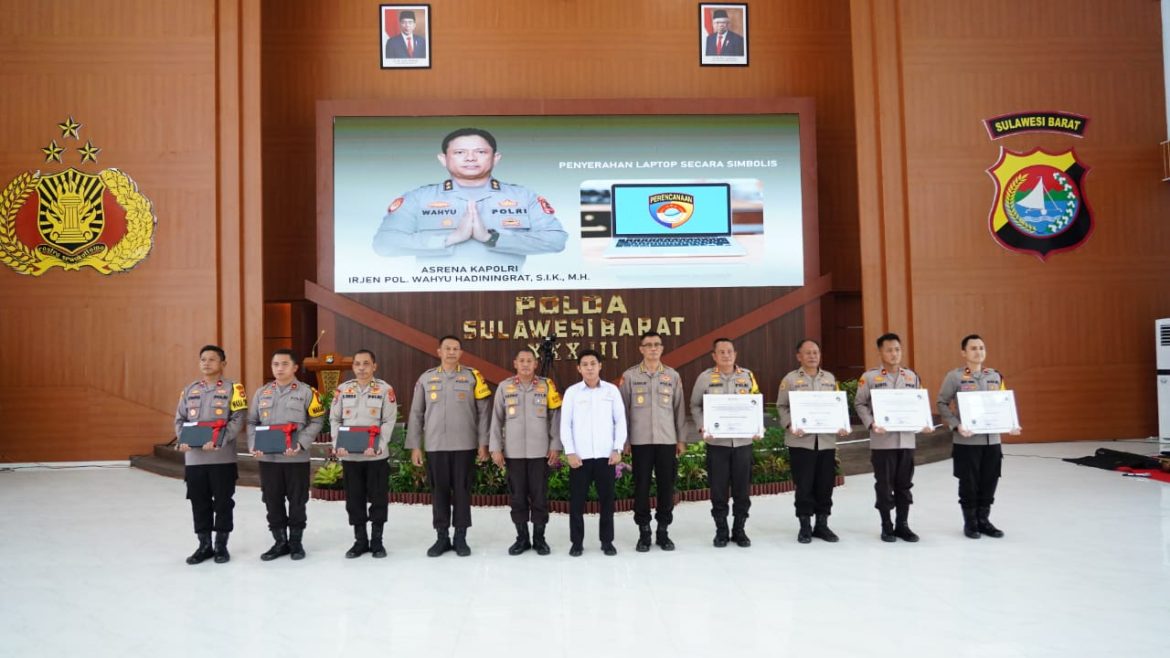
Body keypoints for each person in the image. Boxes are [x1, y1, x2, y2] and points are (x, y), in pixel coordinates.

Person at [371, 128, 568, 268]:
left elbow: (556, 240)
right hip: (433, 291)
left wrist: (491, 238)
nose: (470, 158)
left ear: (495, 158)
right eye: (459, 152)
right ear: (443, 159)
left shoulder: (524, 196)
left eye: (480, 152)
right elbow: (384, 244)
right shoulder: (417, 198)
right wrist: (450, 239)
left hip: (507, 289)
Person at [407, 335, 492, 557]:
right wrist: (416, 446)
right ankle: (442, 537)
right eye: (447, 348)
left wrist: (483, 443)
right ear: (439, 352)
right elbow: (416, 414)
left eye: (456, 349)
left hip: (465, 445)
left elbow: (484, 413)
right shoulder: (426, 379)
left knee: (463, 492)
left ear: (461, 353)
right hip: (435, 446)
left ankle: (461, 537)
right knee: (439, 492)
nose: (452, 352)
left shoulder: (473, 377)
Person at [936, 334, 1020, 539]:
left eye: (981, 347)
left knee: (990, 480)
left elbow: (1004, 404)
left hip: (992, 441)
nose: (978, 351)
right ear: (964, 353)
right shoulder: (955, 377)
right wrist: (956, 425)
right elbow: (941, 403)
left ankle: (984, 519)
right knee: (969, 482)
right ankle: (970, 522)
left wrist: (1011, 423)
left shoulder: (995, 376)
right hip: (967, 440)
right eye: (973, 348)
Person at [246, 349, 325, 561]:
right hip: (268, 459)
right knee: (272, 500)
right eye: (275, 364)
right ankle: (280, 542)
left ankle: (296, 542)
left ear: (294, 367)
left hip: (295, 457)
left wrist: (301, 443)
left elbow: (317, 421)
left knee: (297, 500)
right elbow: (252, 422)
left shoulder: (308, 392)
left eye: (284, 364)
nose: (279, 368)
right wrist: (254, 445)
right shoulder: (262, 393)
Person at [853, 333, 931, 542]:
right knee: (884, 485)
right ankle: (886, 525)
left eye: (897, 349)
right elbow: (859, 403)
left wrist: (924, 422)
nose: (894, 353)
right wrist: (871, 424)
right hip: (882, 441)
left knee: (904, 485)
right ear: (880, 352)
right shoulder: (869, 377)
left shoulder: (911, 377)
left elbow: (919, 402)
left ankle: (903, 525)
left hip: (906, 440)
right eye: (889, 350)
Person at [173, 345, 247, 565]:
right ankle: (203, 545)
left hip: (221, 458)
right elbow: (179, 419)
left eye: (212, 359)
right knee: (199, 501)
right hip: (195, 460)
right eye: (203, 359)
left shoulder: (236, 389)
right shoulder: (189, 390)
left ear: (223, 364)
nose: (206, 363)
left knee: (223, 502)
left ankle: (221, 545)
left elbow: (238, 419)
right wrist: (184, 439)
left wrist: (219, 440)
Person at [489, 347, 563, 556]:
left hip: (540, 453)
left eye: (529, 361)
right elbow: (496, 419)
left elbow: (554, 417)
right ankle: (522, 538)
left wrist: (555, 445)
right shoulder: (504, 387)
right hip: (513, 454)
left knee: (540, 497)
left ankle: (540, 539)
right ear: (515, 363)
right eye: (521, 360)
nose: (525, 364)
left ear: (536, 364)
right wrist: (495, 447)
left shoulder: (546, 385)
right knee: (517, 498)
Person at [618, 331, 687, 552]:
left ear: (662, 348)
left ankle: (663, 531)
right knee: (642, 487)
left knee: (666, 486)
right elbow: (622, 412)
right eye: (648, 345)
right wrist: (625, 440)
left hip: (667, 440)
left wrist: (681, 439)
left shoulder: (672, 376)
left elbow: (679, 410)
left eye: (657, 344)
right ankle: (644, 532)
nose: (653, 348)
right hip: (640, 442)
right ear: (641, 349)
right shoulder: (629, 376)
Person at [777, 339, 850, 544]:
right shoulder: (790, 380)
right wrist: (790, 424)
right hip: (801, 443)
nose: (812, 356)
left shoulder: (829, 378)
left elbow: (836, 406)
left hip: (826, 442)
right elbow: (782, 407)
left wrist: (841, 424)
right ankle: (805, 526)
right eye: (807, 353)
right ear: (799, 356)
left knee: (825, 485)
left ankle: (822, 525)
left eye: (815, 352)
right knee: (804, 485)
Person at [690, 337, 760, 548]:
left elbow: (756, 402)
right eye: (721, 352)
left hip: (743, 444)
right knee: (718, 490)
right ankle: (721, 530)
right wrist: (702, 426)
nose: (726, 355)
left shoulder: (748, 376)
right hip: (717, 444)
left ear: (735, 354)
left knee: (742, 490)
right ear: (714, 356)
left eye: (729, 351)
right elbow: (695, 406)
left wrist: (756, 426)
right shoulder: (705, 378)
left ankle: (739, 529)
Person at [329, 349, 397, 559]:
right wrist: (337, 443)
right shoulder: (343, 390)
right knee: (354, 500)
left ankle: (377, 541)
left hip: (375, 456)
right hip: (350, 456)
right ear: (353, 367)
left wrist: (378, 445)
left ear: (374, 366)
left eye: (366, 364)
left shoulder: (385, 390)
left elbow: (388, 421)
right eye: (357, 364)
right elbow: (335, 420)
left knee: (378, 499)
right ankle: (360, 541)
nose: (361, 368)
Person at [560, 349, 626, 557]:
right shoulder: (572, 392)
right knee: (577, 502)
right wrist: (569, 452)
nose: (589, 367)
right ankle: (576, 542)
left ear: (600, 366)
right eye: (585, 364)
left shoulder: (611, 391)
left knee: (607, 501)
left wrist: (617, 448)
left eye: (593, 363)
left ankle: (607, 541)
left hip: (606, 457)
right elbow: (565, 425)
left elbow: (620, 421)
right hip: (580, 457)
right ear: (578, 368)